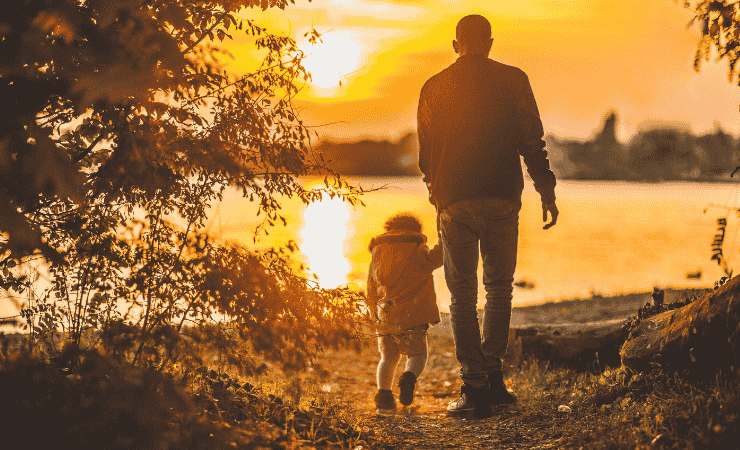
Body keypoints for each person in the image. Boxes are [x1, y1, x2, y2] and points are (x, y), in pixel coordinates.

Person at [417, 14, 559, 418]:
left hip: (455, 201)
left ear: (455, 44)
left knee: (462, 294)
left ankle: (474, 383)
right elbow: (532, 139)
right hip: (500, 196)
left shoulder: (434, 87)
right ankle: (493, 378)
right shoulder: (514, 80)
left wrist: (436, 193)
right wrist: (545, 189)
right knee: (499, 288)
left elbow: (426, 154)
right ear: (490, 43)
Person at [366, 213, 443, 414]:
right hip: (413, 316)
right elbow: (437, 258)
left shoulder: (377, 252)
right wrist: (445, 238)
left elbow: (371, 287)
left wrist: (373, 313)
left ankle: (383, 395)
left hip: (385, 316)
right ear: (415, 231)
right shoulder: (417, 249)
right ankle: (408, 377)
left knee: (387, 358)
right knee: (418, 354)